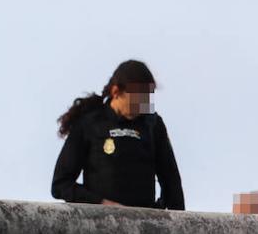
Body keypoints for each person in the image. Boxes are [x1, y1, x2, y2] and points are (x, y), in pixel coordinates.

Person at [51, 59, 185, 210]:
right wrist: (101, 203)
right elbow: (61, 184)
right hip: (102, 223)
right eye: (137, 99)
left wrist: (179, 223)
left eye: (146, 99)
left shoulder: (153, 124)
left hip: (145, 225)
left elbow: (171, 181)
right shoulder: (89, 123)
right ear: (116, 92)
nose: (142, 106)